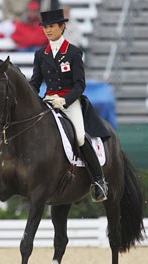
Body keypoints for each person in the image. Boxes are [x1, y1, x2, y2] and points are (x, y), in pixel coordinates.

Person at [29, 9, 108, 202]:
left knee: (80, 137)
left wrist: (65, 100)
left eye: (52, 26)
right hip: (48, 101)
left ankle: (99, 181)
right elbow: (35, 82)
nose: (48, 30)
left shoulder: (73, 52)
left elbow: (80, 85)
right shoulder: (41, 54)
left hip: (69, 102)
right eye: (45, 27)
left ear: (62, 27)